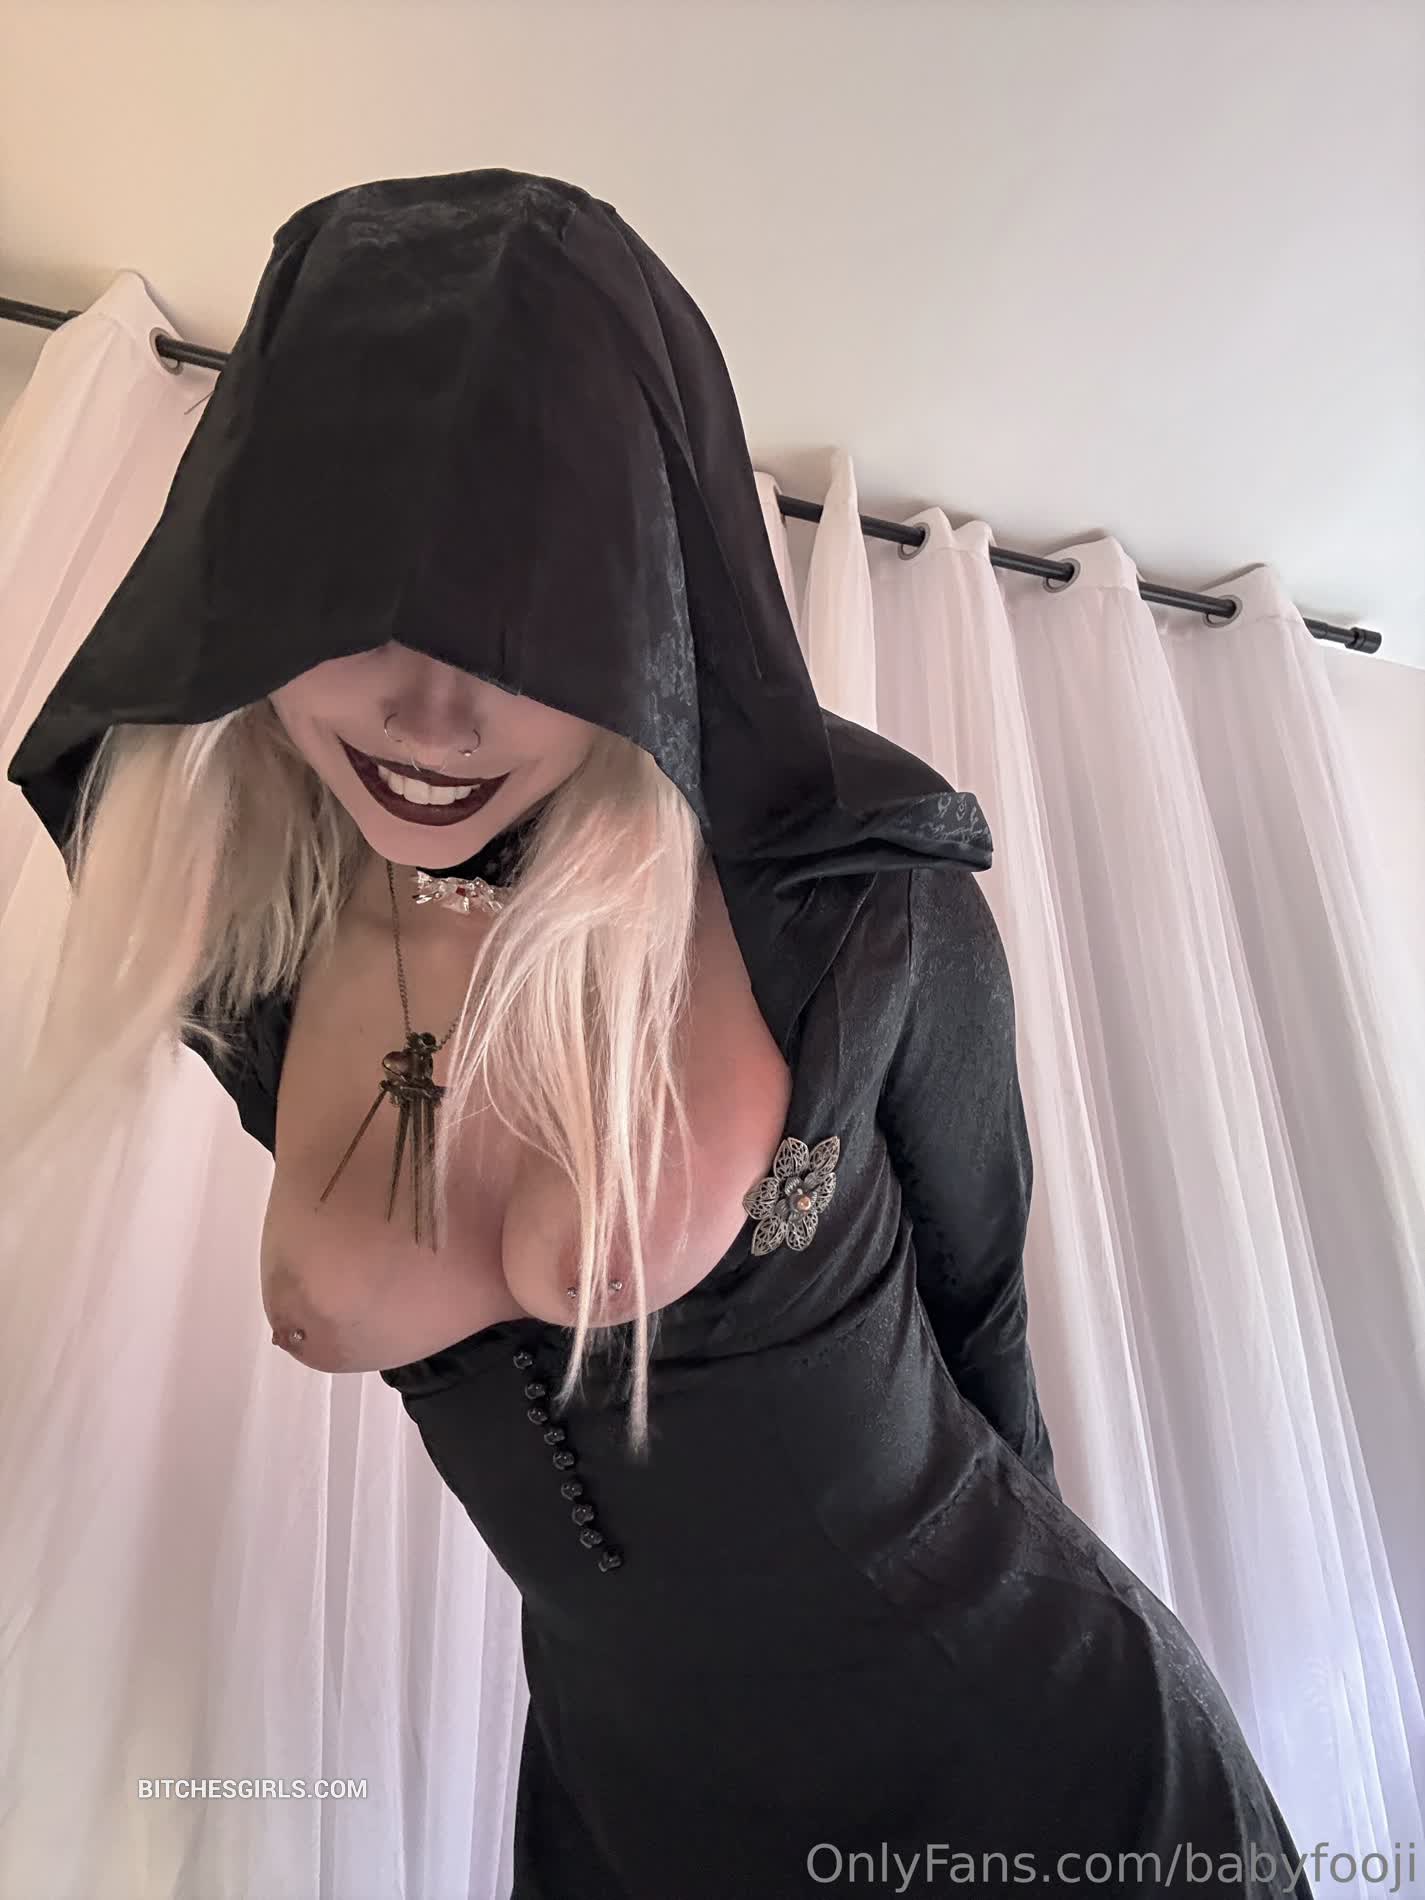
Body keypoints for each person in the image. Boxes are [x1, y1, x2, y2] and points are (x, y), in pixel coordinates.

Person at [7, 168, 1313, 1898]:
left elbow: (985, 1332)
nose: (431, 715)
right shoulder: (250, 947)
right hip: (626, 1817)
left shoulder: (847, 903)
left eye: (521, 623)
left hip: (1031, 1768)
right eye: (351, 605)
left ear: (635, 593)